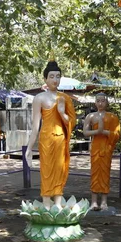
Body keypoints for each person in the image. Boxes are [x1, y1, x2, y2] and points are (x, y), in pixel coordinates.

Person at [25, 56, 77, 210]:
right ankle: (46, 202)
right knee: (46, 170)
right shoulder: (39, 98)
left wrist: (61, 113)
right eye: (52, 76)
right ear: (45, 79)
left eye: (58, 76)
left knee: (59, 170)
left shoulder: (65, 98)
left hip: (60, 138)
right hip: (46, 139)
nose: (55, 79)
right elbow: (35, 125)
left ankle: (58, 203)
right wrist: (29, 148)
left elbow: (72, 122)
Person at [83, 93, 121, 211]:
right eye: (98, 101)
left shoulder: (113, 117)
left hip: (106, 148)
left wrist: (104, 132)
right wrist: (97, 132)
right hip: (95, 148)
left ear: (107, 102)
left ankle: (104, 202)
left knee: (105, 173)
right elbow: (85, 133)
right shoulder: (90, 116)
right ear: (95, 102)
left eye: (103, 101)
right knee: (95, 174)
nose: (100, 103)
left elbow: (117, 134)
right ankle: (94, 201)